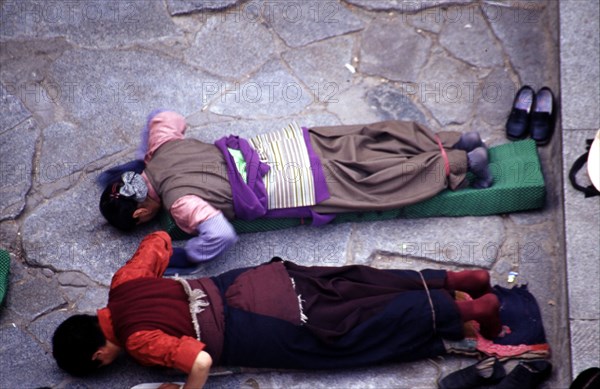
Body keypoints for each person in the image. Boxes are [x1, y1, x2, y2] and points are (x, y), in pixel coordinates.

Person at [53, 232, 502, 388]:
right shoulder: (122, 286)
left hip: (257, 326)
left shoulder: (137, 343)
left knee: (351, 334)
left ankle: (474, 309)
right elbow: (157, 243)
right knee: (352, 286)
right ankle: (456, 281)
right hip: (253, 280)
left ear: (98, 354)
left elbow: (202, 360)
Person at [98, 111, 493, 268]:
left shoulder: (180, 204)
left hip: (295, 187)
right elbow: (167, 116)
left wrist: (187, 257)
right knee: (365, 143)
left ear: (139, 213)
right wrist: (144, 155)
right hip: (287, 145)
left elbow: (221, 234)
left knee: (376, 182)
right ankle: (457, 140)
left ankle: (457, 164)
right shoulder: (159, 147)